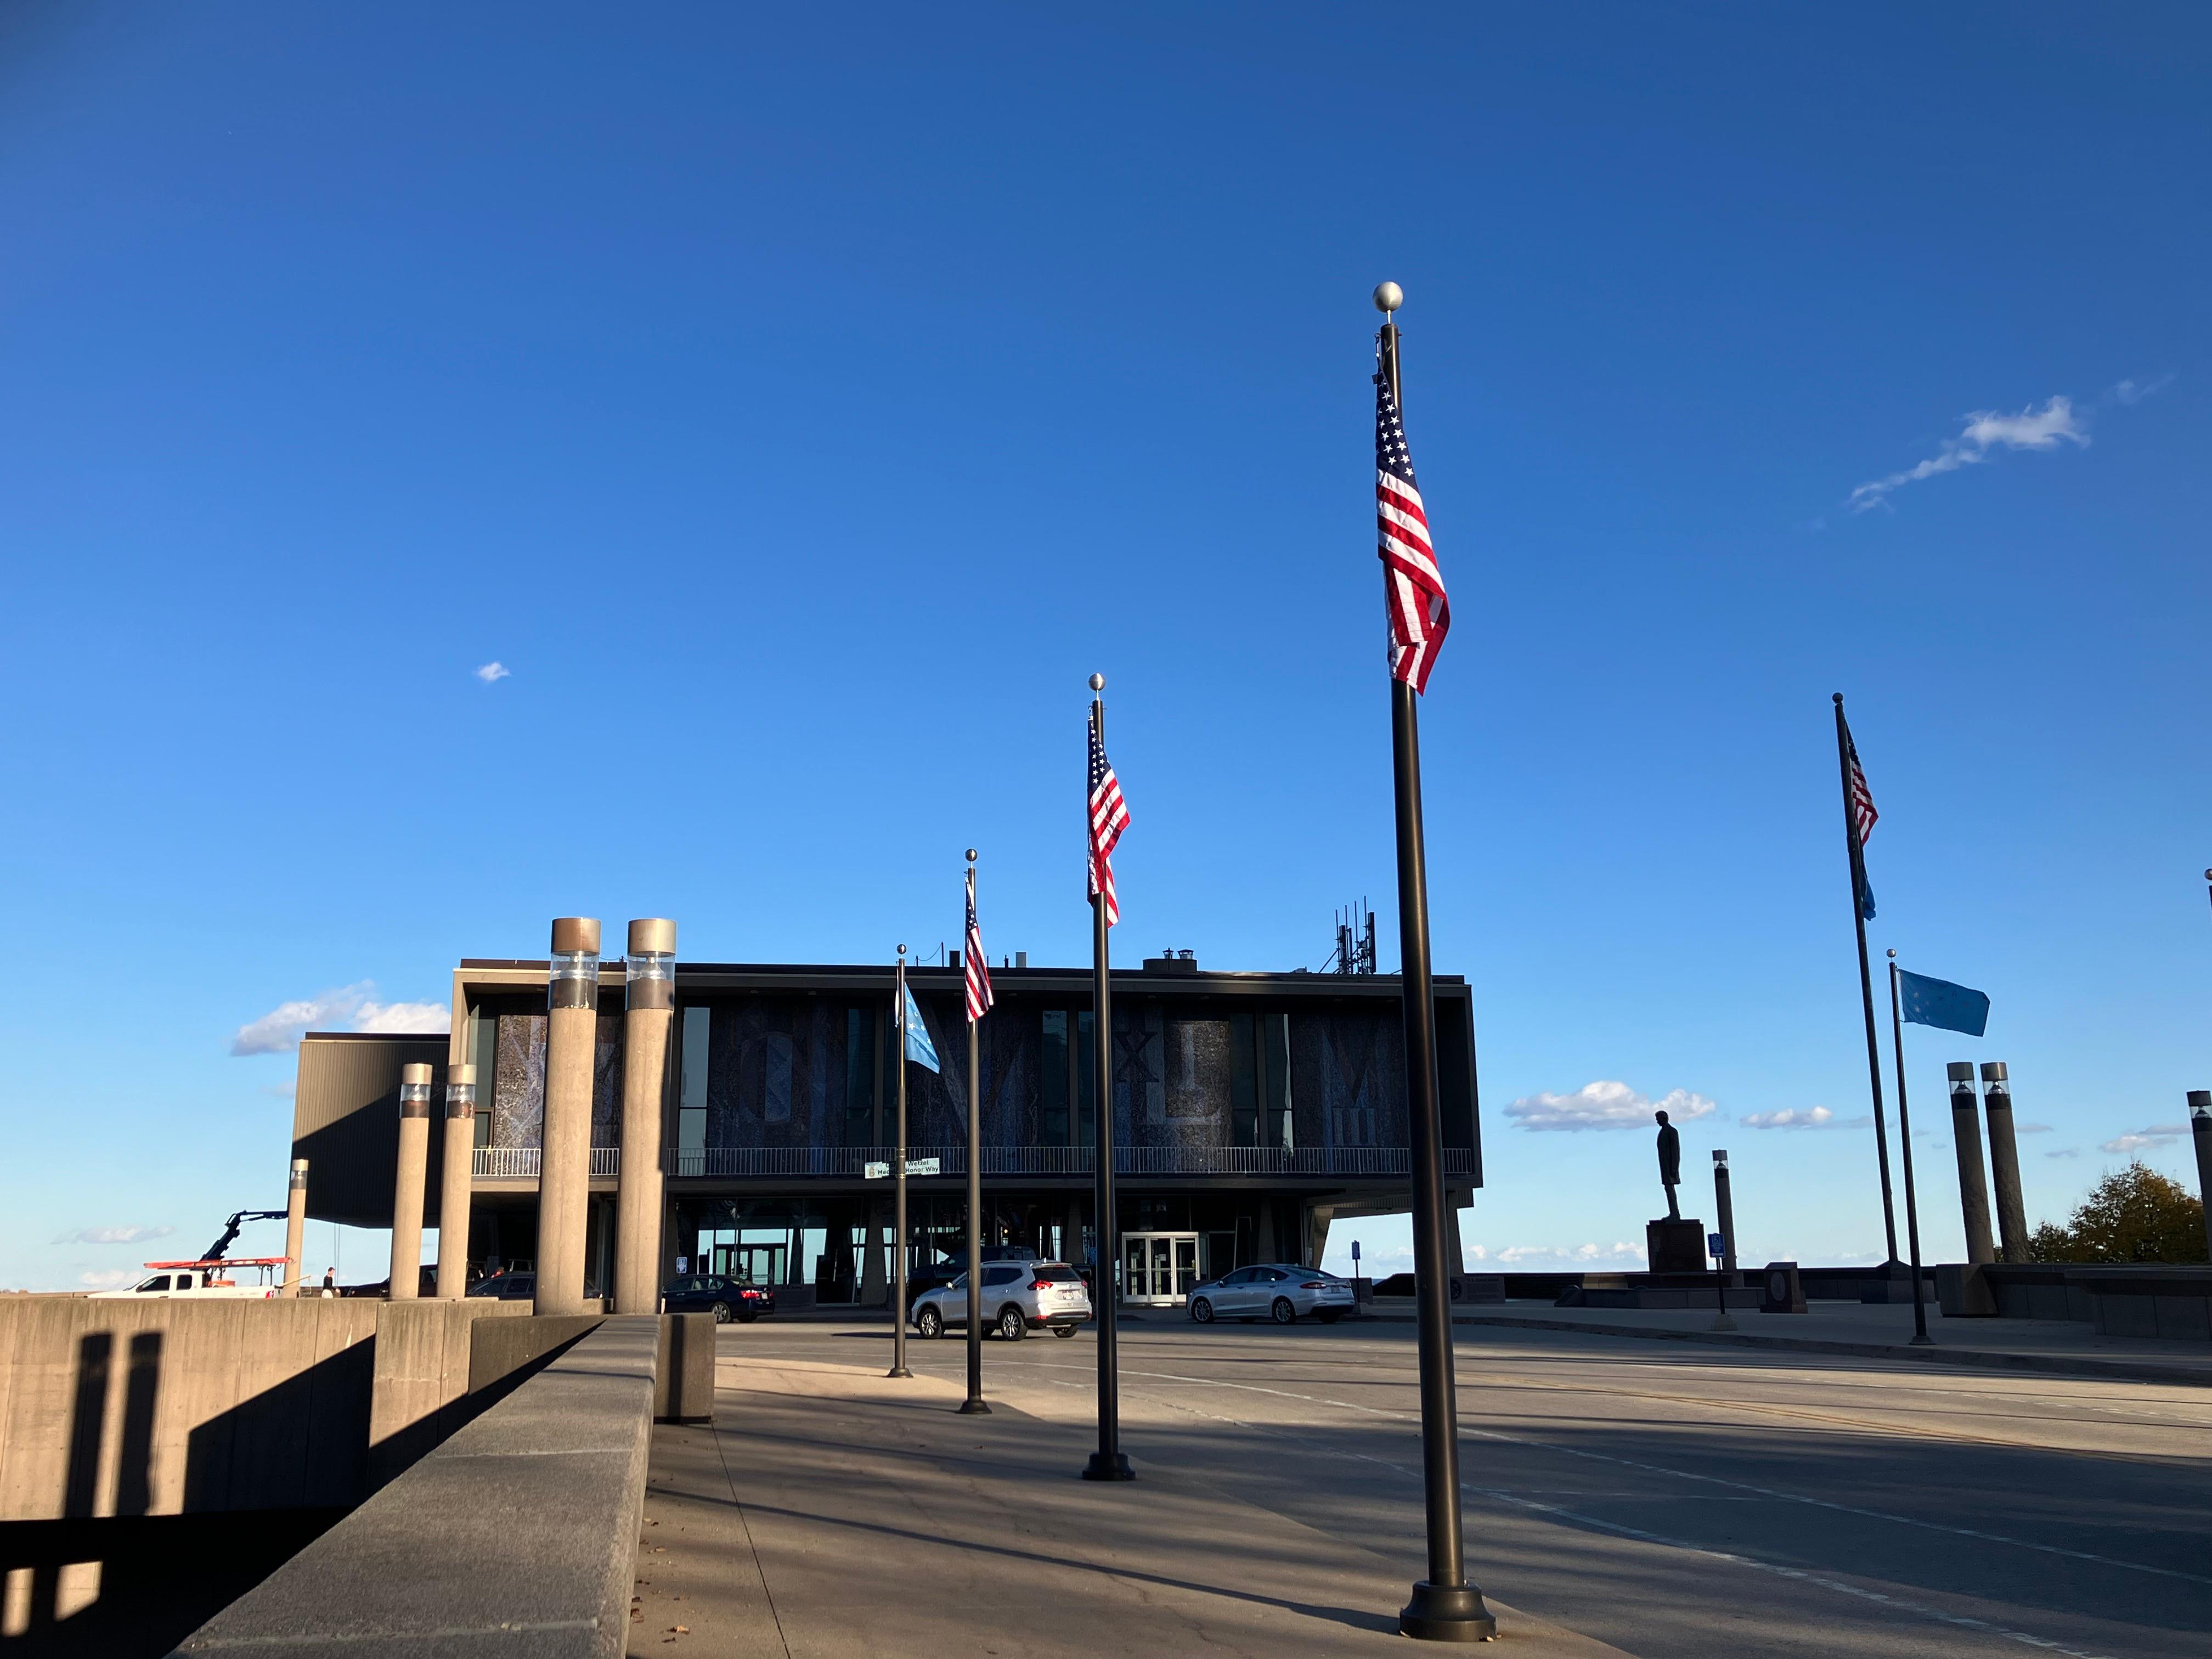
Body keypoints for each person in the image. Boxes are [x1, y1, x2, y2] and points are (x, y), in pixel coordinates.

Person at [1655, 1110, 1681, 1221]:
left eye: (1658, 1119)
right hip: (1665, 1167)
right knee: (1668, 1190)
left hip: (1670, 1168)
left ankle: (1675, 1213)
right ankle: (1673, 1213)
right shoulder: (1663, 1132)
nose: (1657, 1122)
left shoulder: (1672, 1132)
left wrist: (1674, 1168)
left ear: (1664, 1119)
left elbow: (1676, 1151)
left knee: (1671, 1191)